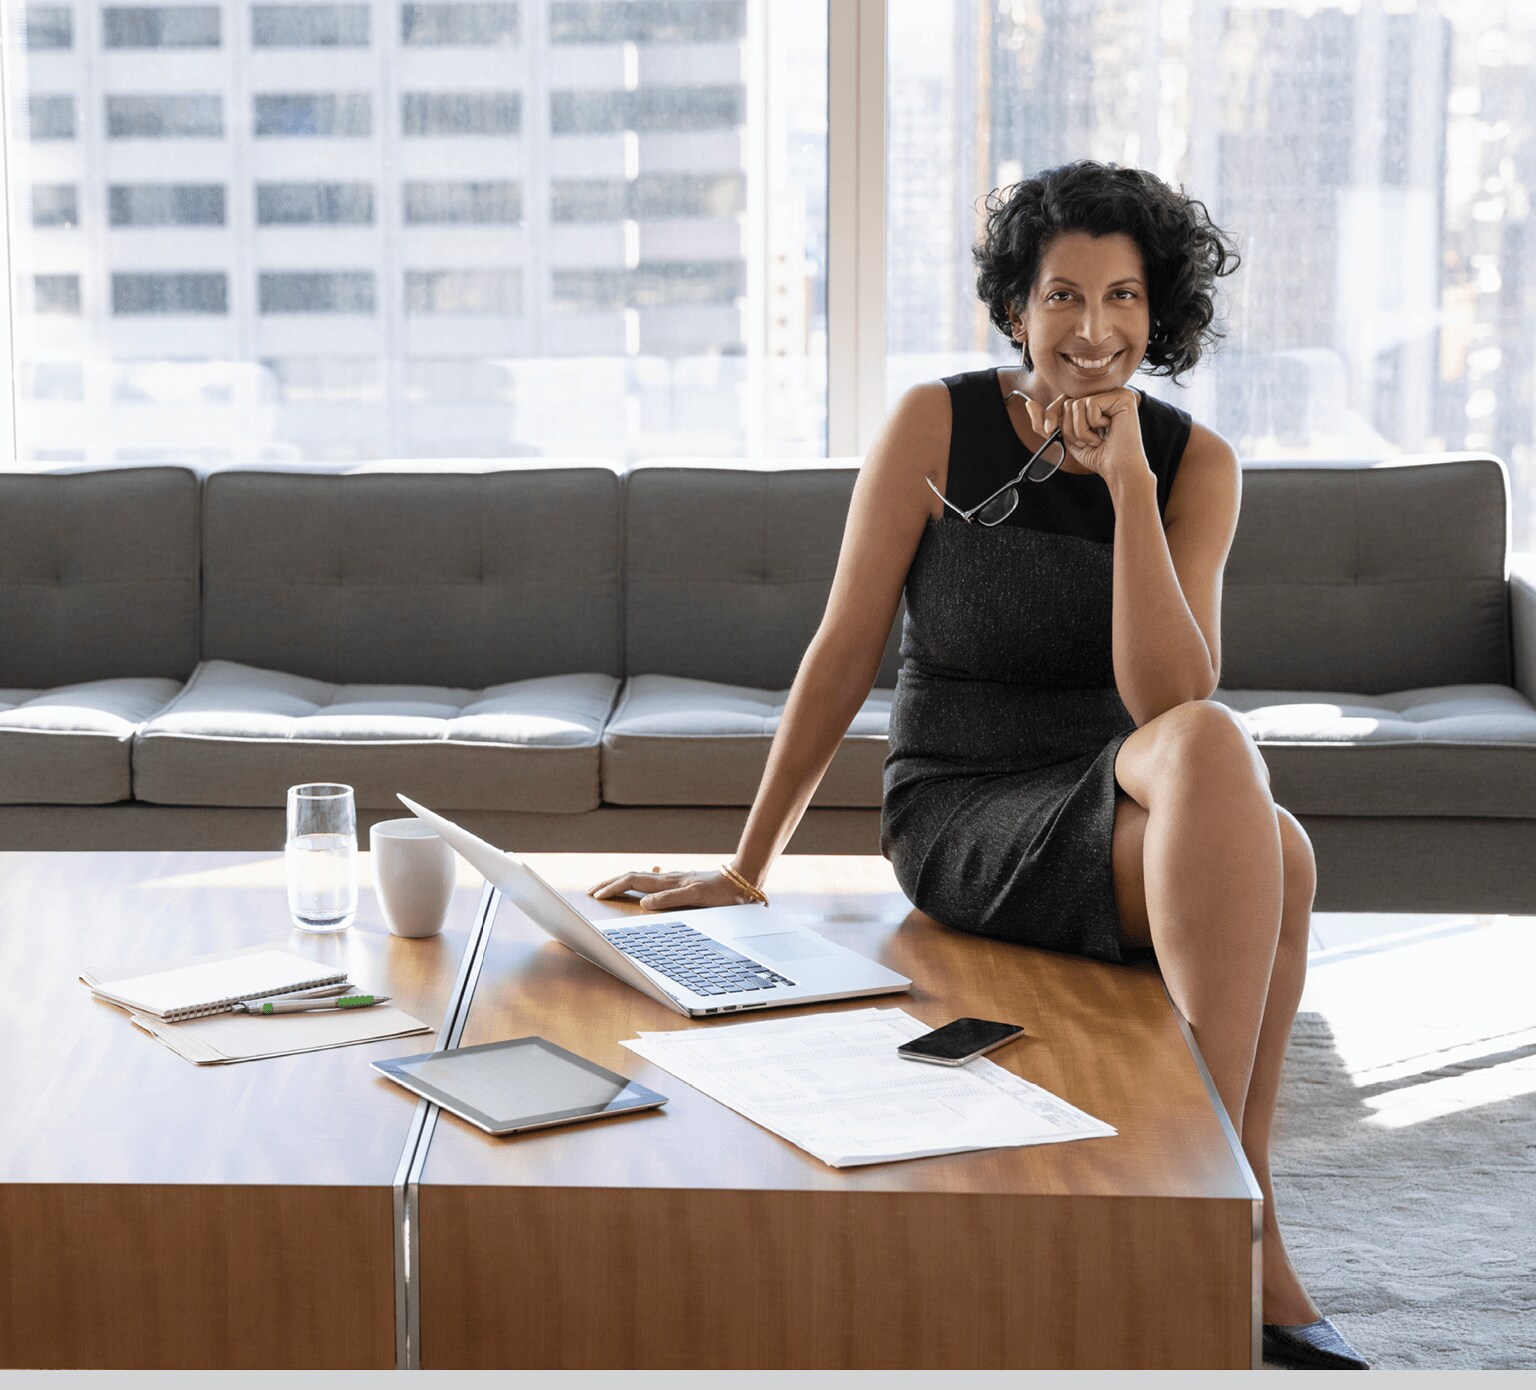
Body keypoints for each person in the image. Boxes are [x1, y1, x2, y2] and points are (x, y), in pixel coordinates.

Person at [589, 160, 1368, 1371]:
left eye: (1122, 298)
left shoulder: (1192, 465)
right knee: (1274, 841)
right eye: (1062, 295)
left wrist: (1125, 487)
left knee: (1243, 789)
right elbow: (845, 651)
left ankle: (1225, 1191)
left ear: (1158, 318)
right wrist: (747, 870)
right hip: (962, 803)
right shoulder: (934, 424)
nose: (1093, 329)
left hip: (1113, 787)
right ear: (1017, 309)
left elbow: (1168, 696)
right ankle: (1217, 1206)